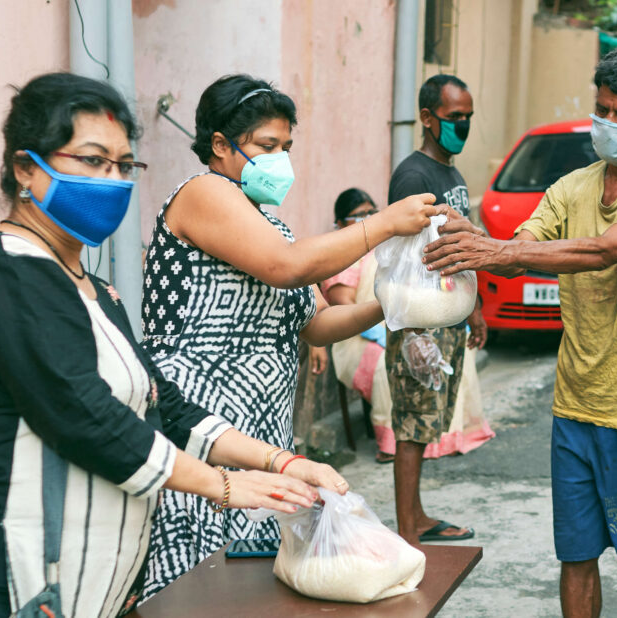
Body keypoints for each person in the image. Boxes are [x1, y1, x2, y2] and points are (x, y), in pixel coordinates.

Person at [0, 72, 337, 616]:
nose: (113, 180)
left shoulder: (95, 289)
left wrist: (280, 463)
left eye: (123, 165)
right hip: (16, 579)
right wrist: (226, 487)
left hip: (92, 583)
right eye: (92, 160)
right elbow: (87, 418)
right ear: (25, 168)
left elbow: (165, 403)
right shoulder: (7, 268)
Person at [140, 74, 445, 597]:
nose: (280, 160)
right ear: (219, 144)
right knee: (193, 584)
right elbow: (286, 268)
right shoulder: (202, 193)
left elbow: (317, 324)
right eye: (266, 146)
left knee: (251, 585)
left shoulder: (270, 225)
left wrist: (399, 301)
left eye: (286, 147)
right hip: (199, 425)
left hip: (263, 431)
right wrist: (385, 223)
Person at [422, 42, 617, 618]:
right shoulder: (571, 187)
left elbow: (604, 250)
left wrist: (495, 247)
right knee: (575, 556)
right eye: (603, 110)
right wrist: (470, 242)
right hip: (575, 406)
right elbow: (523, 252)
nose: (609, 124)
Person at [316, 188, 494, 464]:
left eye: (370, 211)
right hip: (358, 338)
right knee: (386, 368)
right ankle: (392, 444)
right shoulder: (344, 260)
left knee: (451, 356)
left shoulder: (389, 249)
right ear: (340, 224)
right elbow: (344, 308)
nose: (367, 217)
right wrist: (387, 324)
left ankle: (446, 437)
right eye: (357, 215)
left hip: (397, 322)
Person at [385, 74, 488, 545]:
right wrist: (412, 334)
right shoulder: (414, 175)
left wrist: (475, 308)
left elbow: (460, 251)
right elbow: (403, 260)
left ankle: (419, 516)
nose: (462, 125)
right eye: (453, 118)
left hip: (447, 317)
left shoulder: (451, 172)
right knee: (412, 425)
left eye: (467, 117)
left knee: (429, 425)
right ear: (428, 118)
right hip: (420, 323)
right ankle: (407, 534)